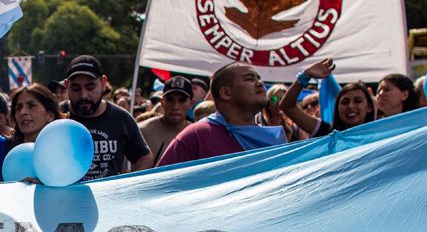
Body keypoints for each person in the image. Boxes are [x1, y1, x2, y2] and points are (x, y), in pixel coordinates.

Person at [157, 62, 285, 167]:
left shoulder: (269, 139)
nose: (260, 83)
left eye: (259, 78)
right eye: (249, 79)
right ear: (226, 93)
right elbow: (159, 185)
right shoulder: (198, 135)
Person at [62, 55, 153, 179]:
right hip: (67, 197)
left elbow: (144, 157)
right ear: (66, 86)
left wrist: (130, 185)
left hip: (111, 197)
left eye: (90, 87)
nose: (84, 95)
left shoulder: (121, 118)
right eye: (76, 88)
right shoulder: (56, 117)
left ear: (103, 83)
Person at [279, 58, 375, 138]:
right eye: (344, 102)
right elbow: (287, 106)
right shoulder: (326, 132)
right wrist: (305, 76)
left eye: (358, 101)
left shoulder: (381, 135)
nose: (350, 106)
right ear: (337, 107)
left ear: (369, 107)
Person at [137, 76, 194, 159]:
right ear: (162, 102)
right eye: (170, 100)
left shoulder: (197, 136)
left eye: (182, 100)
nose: (175, 106)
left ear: (191, 104)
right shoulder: (141, 131)